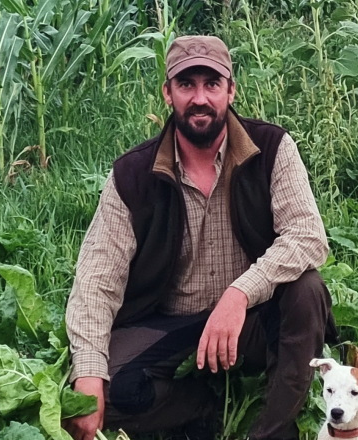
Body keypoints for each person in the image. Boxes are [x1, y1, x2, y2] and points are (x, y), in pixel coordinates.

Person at [64, 35, 336, 440]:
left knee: (307, 292)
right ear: (167, 93)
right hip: (171, 322)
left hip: (251, 321)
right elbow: (95, 281)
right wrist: (87, 372)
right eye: (186, 84)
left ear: (231, 90)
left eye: (211, 84)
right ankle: (201, 408)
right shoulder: (132, 176)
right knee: (112, 387)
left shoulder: (273, 148)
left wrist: (239, 294)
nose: (200, 98)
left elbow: (308, 236)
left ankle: (272, 430)